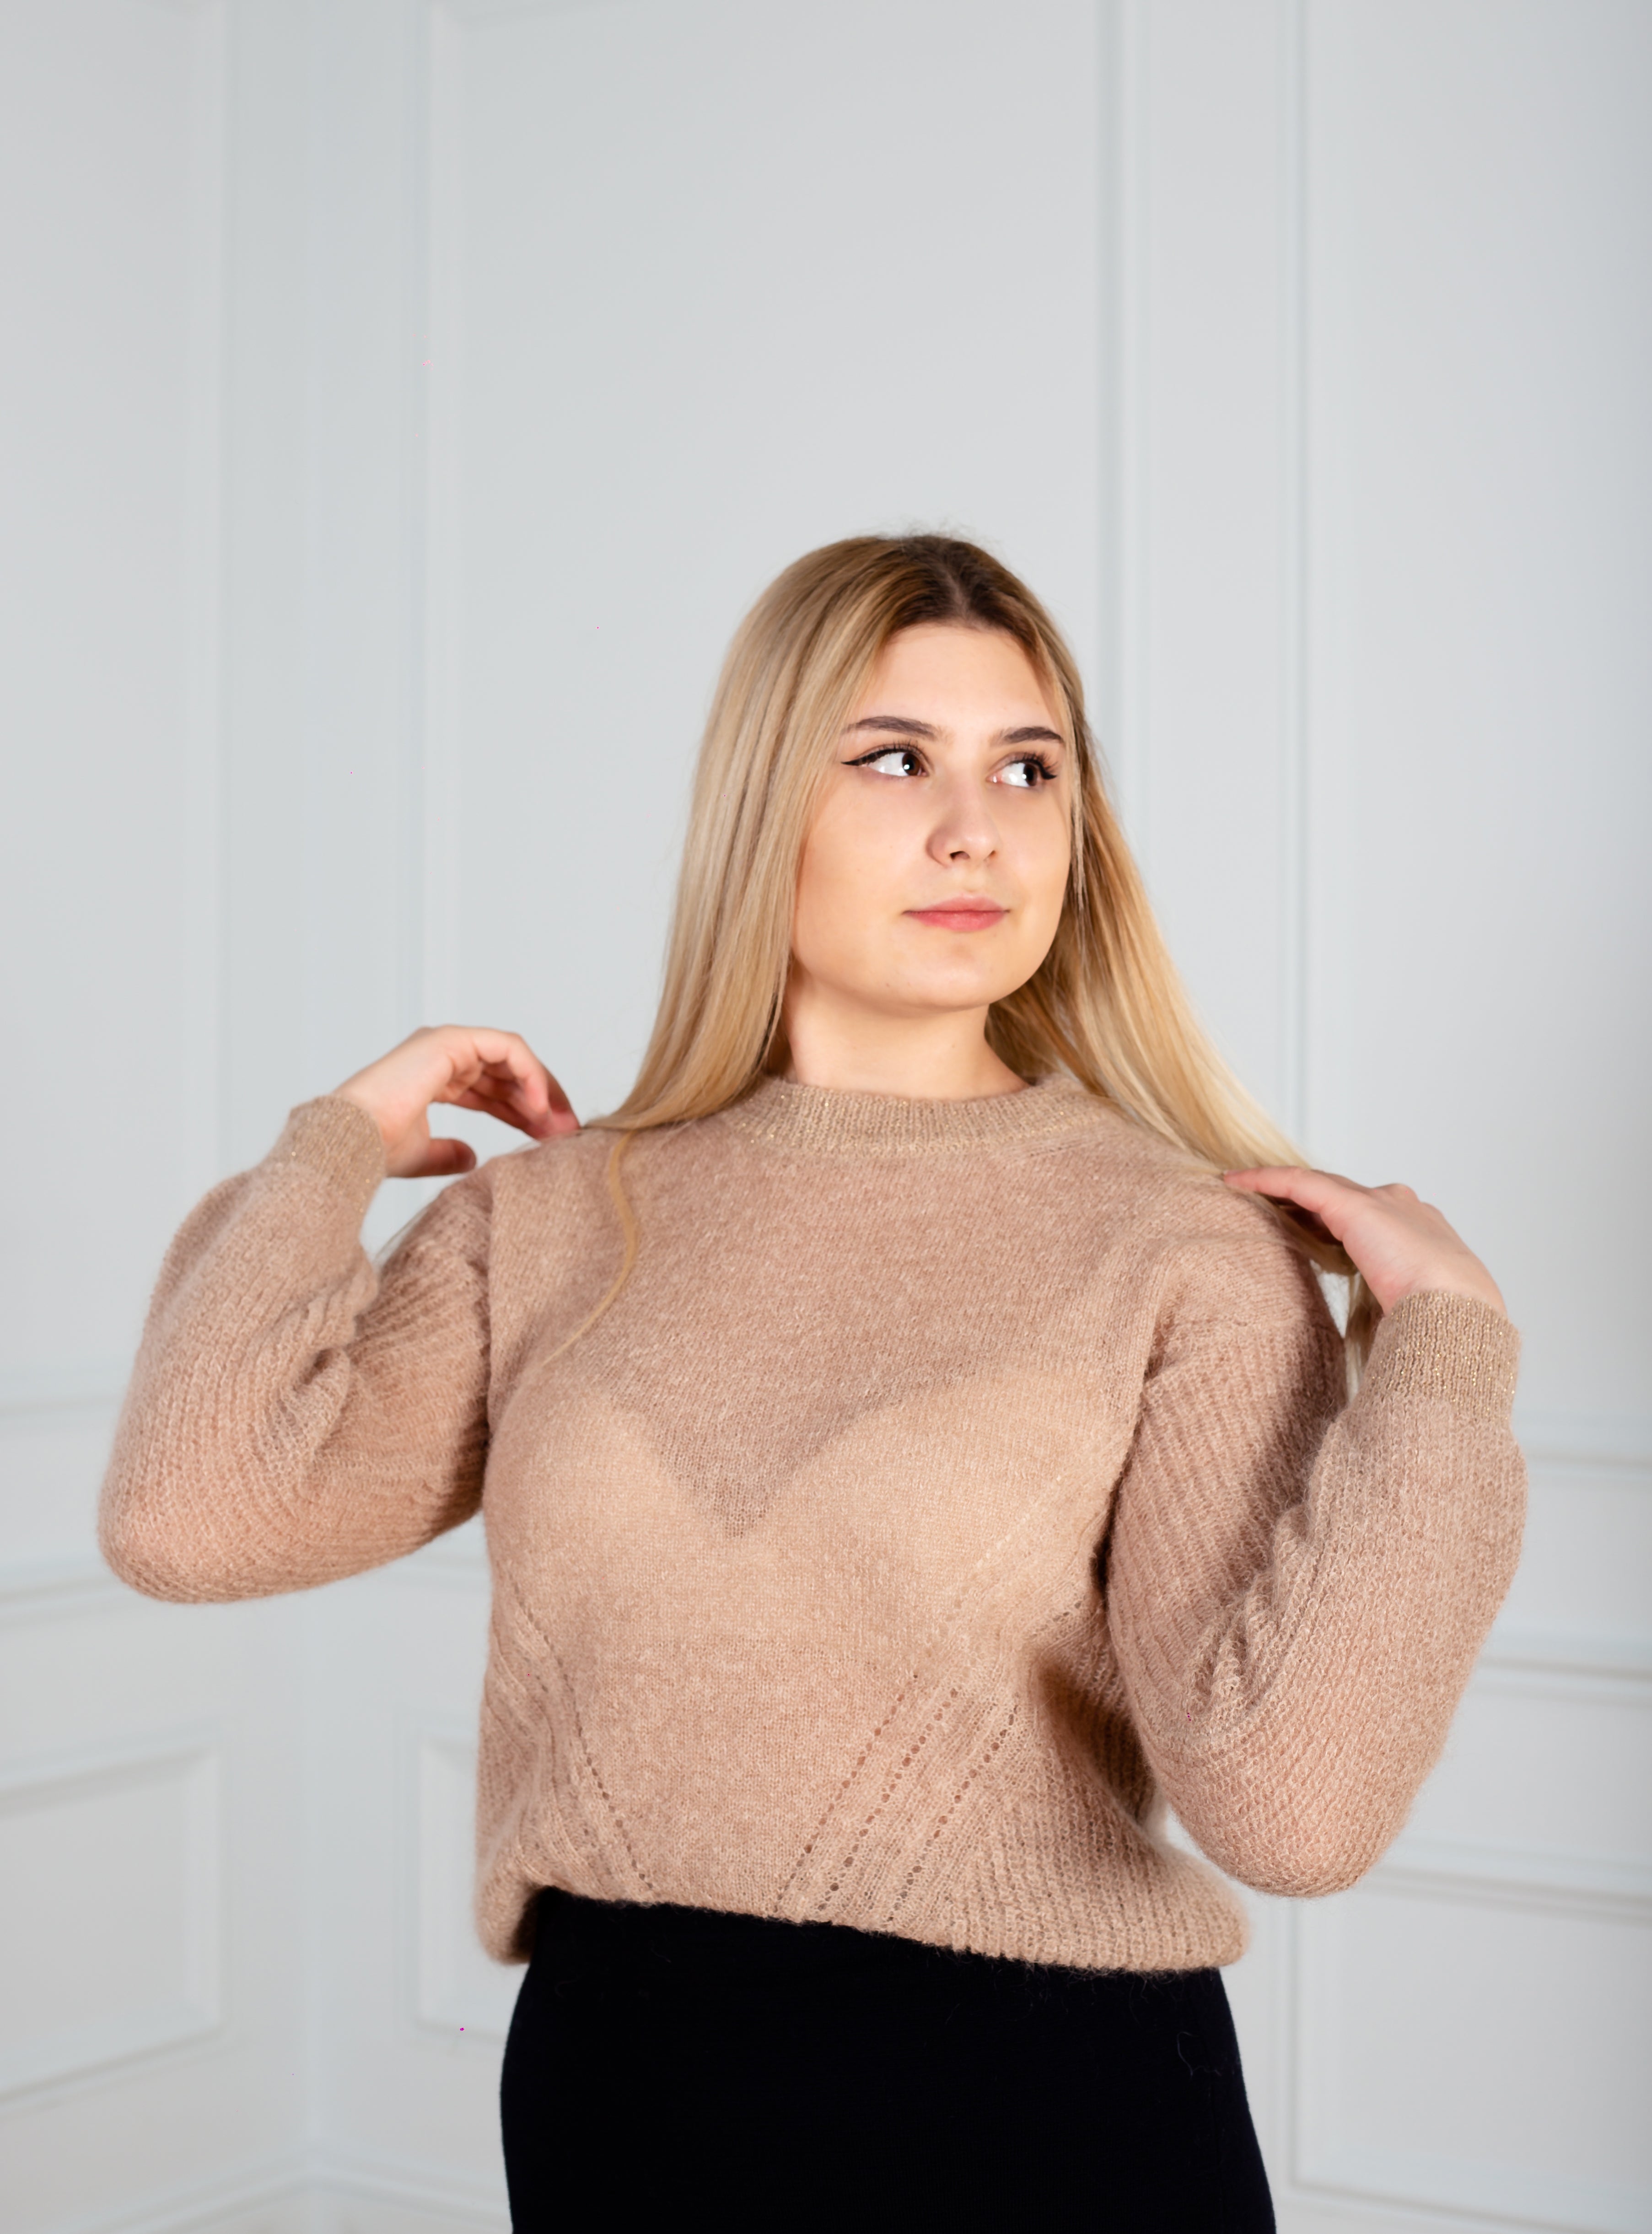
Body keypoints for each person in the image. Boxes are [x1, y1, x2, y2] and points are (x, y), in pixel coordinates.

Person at [101, 535, 1524, 2228]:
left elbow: (1291, 1812)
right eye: (893, 758)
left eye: (1027, 768)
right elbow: (189, 1517)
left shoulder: (1177, 1241)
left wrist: (1441, 1354)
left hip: (1053, 2129)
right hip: (623, 2100)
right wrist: (333, 1144)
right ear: (762, 800)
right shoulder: (560, 1212)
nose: (973, 829)